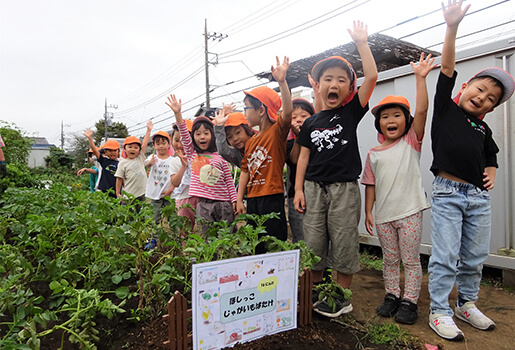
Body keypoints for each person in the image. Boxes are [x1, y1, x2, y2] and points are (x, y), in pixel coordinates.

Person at [427, 0, 514, 341]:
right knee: (446, 255)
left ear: (492, 109)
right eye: (480, 89)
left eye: (491, 98)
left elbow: (491, 155)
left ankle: (466, 303)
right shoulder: (446, 110)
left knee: (475, 256)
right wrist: (451, 28)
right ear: (464, 88)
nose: (483, 97)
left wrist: (491, 169)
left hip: (478, 198)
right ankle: (439, 310)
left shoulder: (483, 130)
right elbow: (447, 68)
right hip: (449, 193)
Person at [293, 21, 378, 317]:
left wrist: (361, 44)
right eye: (327, 79)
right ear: (317, 86)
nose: (334, 84)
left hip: (344, 188)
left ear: (349, 88)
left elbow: (372, 77)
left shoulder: (351, 112)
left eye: (341, 80)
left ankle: (341, 296)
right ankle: (318, 291)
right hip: (314, 189)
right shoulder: (310, 123)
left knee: (343, 241)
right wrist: (298, 190)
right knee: (314, 242)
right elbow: (303, 158)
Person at [361, 53, 436, 325]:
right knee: (390, 260)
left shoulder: (411, 142)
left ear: (406, 120)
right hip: (384, 216)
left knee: (411, 260)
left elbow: (424, 111)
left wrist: (420, 78)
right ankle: (392, 295)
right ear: (379, 123)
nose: (390, 120)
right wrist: (368, 212)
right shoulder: (374, 153)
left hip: (410, 212)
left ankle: (410, 301)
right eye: (384, 117)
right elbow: (370, 183)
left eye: (396, 115)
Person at [235, 56, 293, 252]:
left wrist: (282, 82)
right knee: (256, 245)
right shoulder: (250, 141)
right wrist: (239, 198)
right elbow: (245, 171)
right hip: (253, 200)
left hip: (272, 196)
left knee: (274, 244)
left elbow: (287, 113)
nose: (244, 113)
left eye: (246, 108)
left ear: (261, 110)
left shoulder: (277, 132)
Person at [166, 96, 237, 229]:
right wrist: (177, 114)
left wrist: (234, 200)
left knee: (228, 237)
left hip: (223, 203)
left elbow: (229, 180)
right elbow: (184, 135)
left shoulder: (221, 155)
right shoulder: (193, 155)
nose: (202, 137)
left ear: (212, 135)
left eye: (206, 133)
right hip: (203, 205)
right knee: (208, 240)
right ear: (193, 138)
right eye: (197, 134)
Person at [286, 98, 315, 243]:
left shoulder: (318, 138)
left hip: (316, 194)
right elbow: (295, 160)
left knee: (317, 235)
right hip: (295, 195)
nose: (298, 120)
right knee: (300, 237)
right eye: (294, 117)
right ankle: (301, 264)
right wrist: (298, 137)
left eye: (303, 116)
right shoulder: (289, 142)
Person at [114, 121, 152, 206]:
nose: (133, 149)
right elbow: (119, 179)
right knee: (129, 217)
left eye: (136, 147)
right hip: (129, 197)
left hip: (142, 194)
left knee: (141, 217)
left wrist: (148, 130)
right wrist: (118, 193)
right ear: (125, 149)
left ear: (139, 150)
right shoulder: (122, 163)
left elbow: (145, 143)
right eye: (130, 147)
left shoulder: (140, 158)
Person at [169, 120, 198, 231]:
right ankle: (184, 248)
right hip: (183, 199)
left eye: (184, 141)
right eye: (176, 140)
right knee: (184, 229)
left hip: (200, 197)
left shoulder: (199, 158)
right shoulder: (174, 162)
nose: (180, 145)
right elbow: (175, 183)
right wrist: (183, 166)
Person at [145, 130, 175, 225]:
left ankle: (175, 235)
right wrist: (151, 163)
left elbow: (175, 178)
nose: (161, 146)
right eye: (158, 144)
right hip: (155, 193)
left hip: (169, 194)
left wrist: (170, 190)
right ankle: (153, 237)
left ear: (169, 144)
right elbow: (147, 164)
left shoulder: (173, 160)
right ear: (154, 146)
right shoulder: (152, 157)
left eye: (163, 143)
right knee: (154, 217)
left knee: (172, 217)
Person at [85, 130, 120, 197]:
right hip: (104, 191)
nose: (112, 152)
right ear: (105, 152)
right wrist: (90, 138)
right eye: (110, 150)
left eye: (115, 150)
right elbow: (94, 150)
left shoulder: (121, 163)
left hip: (116, 191)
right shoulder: (104, 161)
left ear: (118, 151)